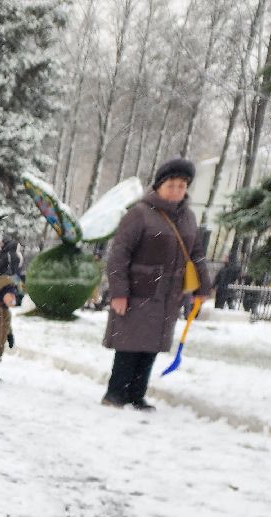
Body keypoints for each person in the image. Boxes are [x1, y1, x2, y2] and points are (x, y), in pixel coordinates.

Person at [101, 157, 213, 410]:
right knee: (130, 344)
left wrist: (202, 288)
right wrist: (119, 292)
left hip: (168, 295)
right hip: (138, 292)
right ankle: (116, 393)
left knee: (151, 346)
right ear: (160, 185)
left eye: (182, 186)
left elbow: (196, 254)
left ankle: (137, 395)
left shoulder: (188, 218)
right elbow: (119, 255)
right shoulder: (138, 214)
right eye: (171, 185)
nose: (176, 191)